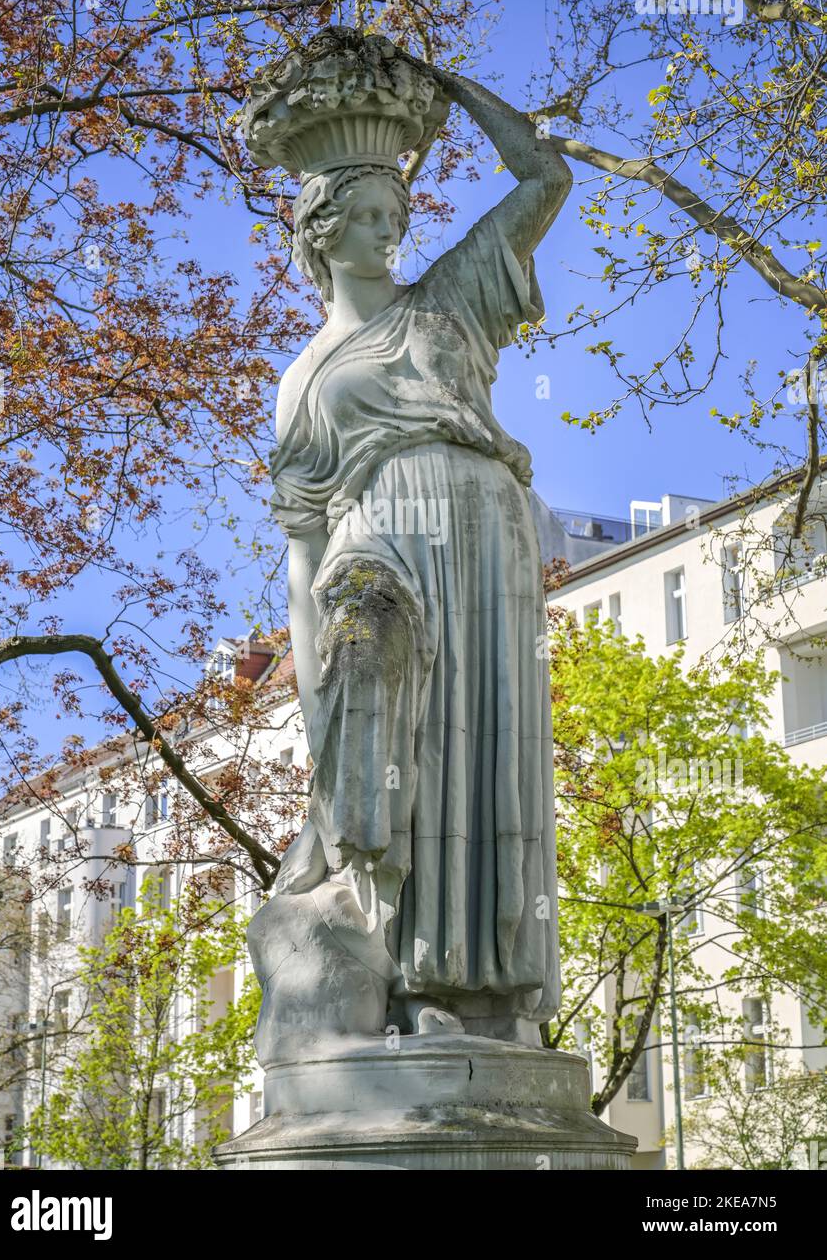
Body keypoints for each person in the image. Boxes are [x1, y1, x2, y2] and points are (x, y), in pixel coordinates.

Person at [261, 60, 572, 1049]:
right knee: (396, 739)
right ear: (319, 229)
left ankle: (484, 996)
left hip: (484, 540)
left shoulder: (446, 302)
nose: (388, 228)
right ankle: (408, 975)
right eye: (365, 214)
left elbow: (542, 179)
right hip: (380, 541)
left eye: (396, 208)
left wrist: (454, 85)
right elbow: (304, 544)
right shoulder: (301, 382)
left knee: (477, 754)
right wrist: (310, 684)